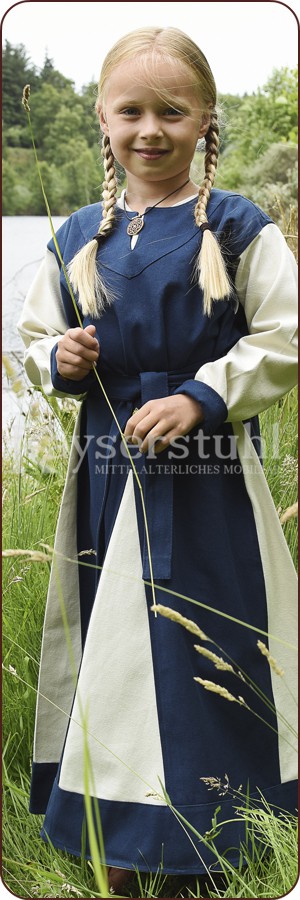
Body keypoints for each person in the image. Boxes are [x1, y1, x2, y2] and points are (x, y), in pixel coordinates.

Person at [18, 26, 297, 897]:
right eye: (130, 110)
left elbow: (285, 333)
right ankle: (118, 837)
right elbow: (32, 336)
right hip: (108, 476)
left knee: (207, 649)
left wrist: (205, 394)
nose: (150, 129)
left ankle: (222, 828)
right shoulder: (74, 238)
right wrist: (55, 358)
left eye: (171, 111)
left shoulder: (240, 227)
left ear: (204, 120)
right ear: (102, 119)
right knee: (118, 658)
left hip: (211, 480)